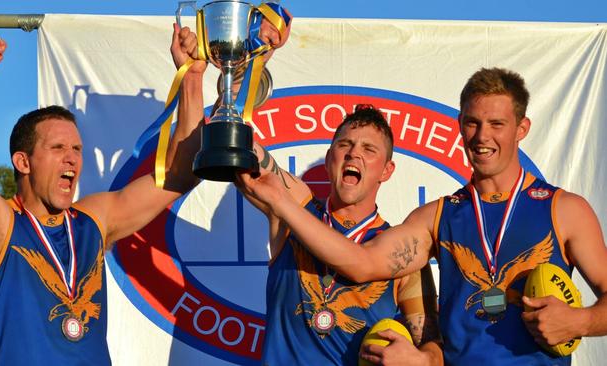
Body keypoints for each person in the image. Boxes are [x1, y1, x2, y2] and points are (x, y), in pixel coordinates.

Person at [238, 67, 607, 365]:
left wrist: (582, 321)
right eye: (473, 123)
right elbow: (362, 264)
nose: (482, 136)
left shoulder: (564, 209)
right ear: (460, 125)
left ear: (521, 129)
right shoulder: (436, 217)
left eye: (497, 124)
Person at [174, 22, 443, 362]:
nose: (354, 153)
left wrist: (419, 360)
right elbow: (233, 138)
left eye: (369, 150)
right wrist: (255, 62)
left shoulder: (402, 251)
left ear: (386, 171)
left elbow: (432, 347)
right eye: (344, 144)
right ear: (331, 158)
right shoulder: (292, 205)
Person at [0, 27, 204, 365]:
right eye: (57, 148)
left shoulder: (93, 221)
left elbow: (181, 173)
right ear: (23, 161)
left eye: (76, 148)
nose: (72, 157)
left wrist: (190, 77)